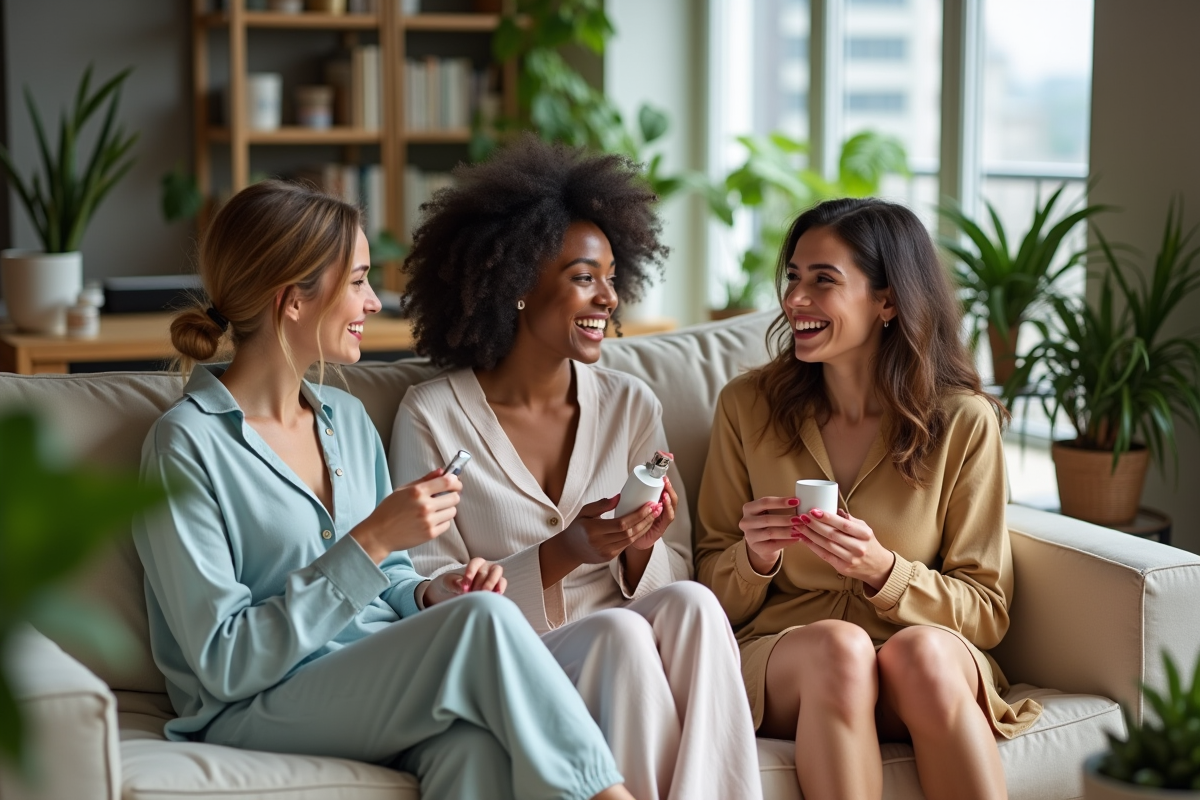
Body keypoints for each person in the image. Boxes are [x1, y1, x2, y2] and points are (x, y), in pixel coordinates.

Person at [132, 180, 636, 800]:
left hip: (372, 678)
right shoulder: (185, 447)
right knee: (482, 621)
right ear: (293, 301)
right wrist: (369, 541)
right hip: (254, 704)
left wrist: (429, 592)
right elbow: (224, 660)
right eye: (358, 281)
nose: (374, 302)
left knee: (472, 746)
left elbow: (391, 582)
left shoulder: (345, 421)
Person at [390, 135, 763, 800]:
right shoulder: (432, 415)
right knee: (619, 633)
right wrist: (565, 552)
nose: (608, 299)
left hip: (627, 640)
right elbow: (426, 589)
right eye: (584, 278)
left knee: (695, 603)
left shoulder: (628, 403)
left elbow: (672, 569)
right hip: (515, 660)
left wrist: (641, 550)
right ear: (518, 286)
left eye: (612, 278)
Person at [694, 198, 1043, 800]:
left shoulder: (963, 422)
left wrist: (885, 573)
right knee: (840, 647)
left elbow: (987, 611)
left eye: (823, 281)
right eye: (793, 278)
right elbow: (707, 594)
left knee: (923, 659)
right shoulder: (746, 406)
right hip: (793, 664)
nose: (794, 299)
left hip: (916, 660)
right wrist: (754, 560)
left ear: (887, 301)